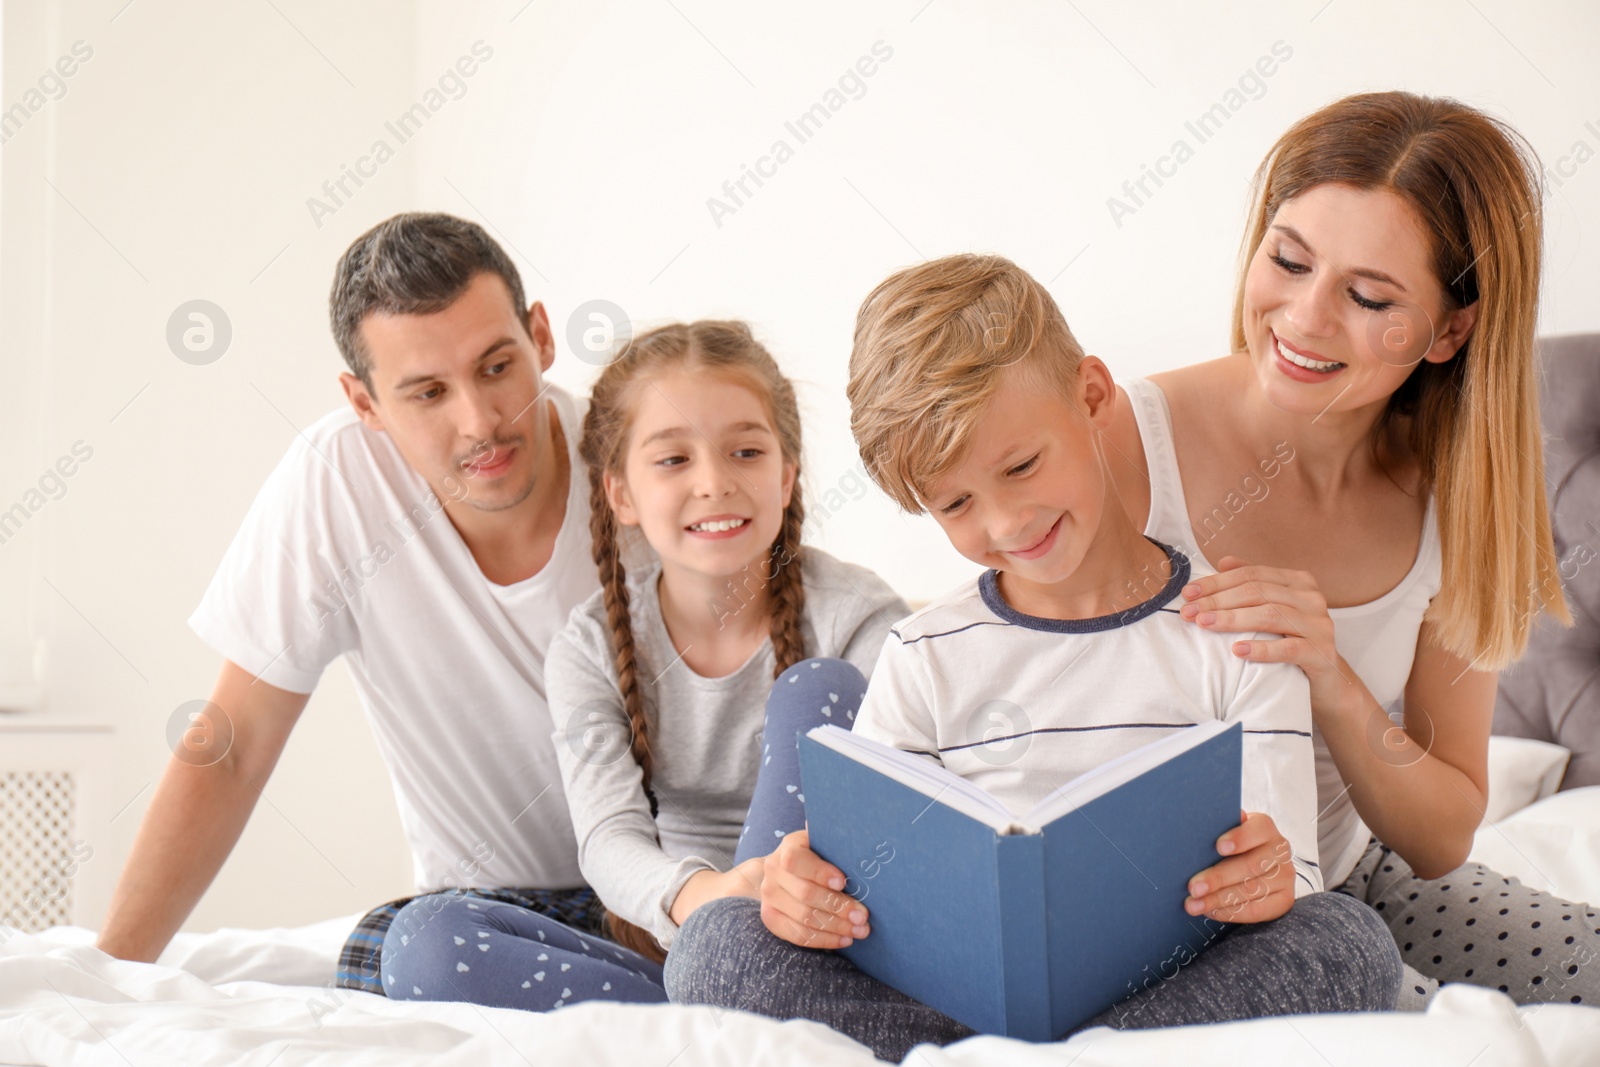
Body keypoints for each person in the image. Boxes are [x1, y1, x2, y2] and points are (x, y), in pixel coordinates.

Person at [663, 255, 1403, 1062]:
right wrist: (803, 890)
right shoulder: (922, 653)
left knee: (1348, 940)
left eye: (1020, 466)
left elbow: (1292, 875)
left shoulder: (1236, 634)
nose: (1008, 520)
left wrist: (1268, 877)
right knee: (717, 945)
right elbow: (855, 873)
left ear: (1092, 396)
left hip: (1167, 995)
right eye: (956, 503)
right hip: (949, 1007)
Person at [1102, 90, 1600, 1009]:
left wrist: (1334, 679)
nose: (1304, 317)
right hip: (1155, 908)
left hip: (1356, 878)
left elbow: (1444, 832)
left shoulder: (1458, 495)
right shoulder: (1125, 445)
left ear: (1452, 330)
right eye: (1288, 260)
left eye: (1369, 296)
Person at [97, 214, 620, 993]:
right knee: (410, 943)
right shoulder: (337, 479)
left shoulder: (639, 462)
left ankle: (706, 978)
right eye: (428, 392)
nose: (479, 421)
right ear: (364, 402)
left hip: (659, 890)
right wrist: (111, 972)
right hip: (483, 916)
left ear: (540, 335)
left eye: (496, 366)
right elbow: (233, 744)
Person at [379, 320, 909, 1009]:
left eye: (745, 451)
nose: (715, 482)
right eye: (672, 460)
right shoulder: (588, 646)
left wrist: (773, 903)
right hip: (676, 939)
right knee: (419, 938)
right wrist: (714, 897)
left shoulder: (860, 617)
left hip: (824, 941)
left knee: (821, 687)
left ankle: (742, 980)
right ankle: (710, 995)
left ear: (786, 476)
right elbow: (608, 837)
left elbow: (915, 805)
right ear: (620, 494)